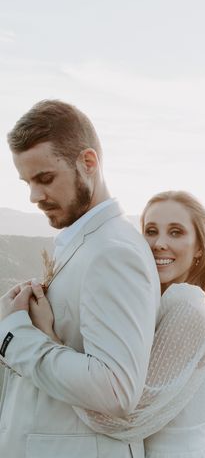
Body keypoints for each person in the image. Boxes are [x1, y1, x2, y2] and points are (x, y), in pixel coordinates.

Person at [0, 100, 160, 458]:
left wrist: (15, 334)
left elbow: (115, 390)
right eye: (27, 182)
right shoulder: (87, 243)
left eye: (45, 179)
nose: (34, 196)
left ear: (88, 163)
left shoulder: (112, 252)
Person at [29, 191, 205, 457]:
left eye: (176, 232)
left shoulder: (187, 308)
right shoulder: (160, 305)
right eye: (151, 231)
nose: (159, 243)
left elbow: (121, 420)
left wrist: (48, 338)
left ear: (199, 248)